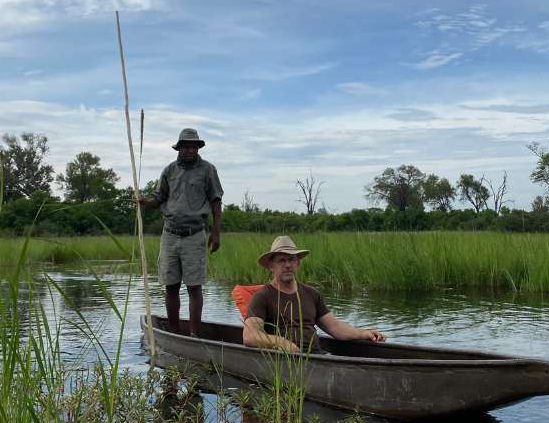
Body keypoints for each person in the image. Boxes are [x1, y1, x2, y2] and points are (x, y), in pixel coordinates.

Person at [137, 128, 223, 335]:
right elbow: (159, 198)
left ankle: (194, 334)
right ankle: (174, 332)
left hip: (194, 234)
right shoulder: (169, 171)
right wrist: (145, 202)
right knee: (170, 285)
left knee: (194, 286)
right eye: (186, 146)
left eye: (194, 146)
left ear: (198, 148)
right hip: (170, 234)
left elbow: (216, 200)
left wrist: (216, 232)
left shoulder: (208, 170)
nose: (190, 150)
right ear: (179, 148)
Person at [243, 235, 385, 353]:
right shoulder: (262, 297)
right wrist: (283, 343)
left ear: (298, 263)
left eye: (291, 259)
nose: (287, 265)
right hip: (284, 360)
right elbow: (250, 336)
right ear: (271, 266)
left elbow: (335, 327)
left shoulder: (312, 294)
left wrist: (363, 333)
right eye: (281, 260)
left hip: (317, 356)